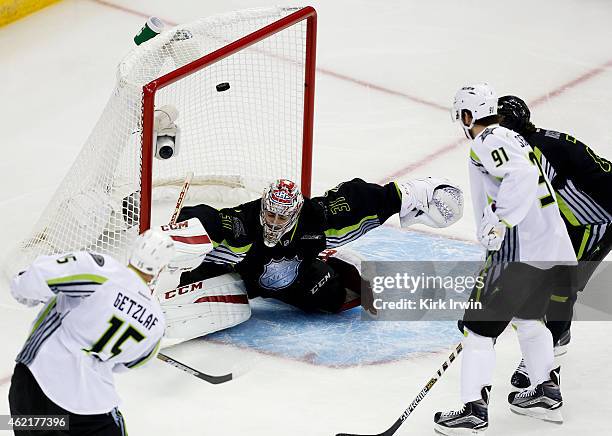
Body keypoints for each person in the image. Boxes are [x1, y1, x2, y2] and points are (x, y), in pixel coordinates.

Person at [433, 83, 577, 435]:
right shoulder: (512, 138)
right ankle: (544, 392)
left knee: (478, 331)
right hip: (550, 249)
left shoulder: (488, 139)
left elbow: (521, 176)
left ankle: (472, 411)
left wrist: (501, 221)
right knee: (529, 320)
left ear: (468, 115)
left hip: (520, 253)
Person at [170, 177, 463, 314]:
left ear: (295, 212)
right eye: (270, 213)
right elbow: (209, 219)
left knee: (335, 301)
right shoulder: (243, 224)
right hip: (247, 273)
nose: (274, 221)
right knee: (194, 280)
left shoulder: (314, 218)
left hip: (298, 270)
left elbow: (357, 199)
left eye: (282, 216)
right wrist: (178, 230)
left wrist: (413, 194)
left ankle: (337, 262)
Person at [8, 230, 174, 436]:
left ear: (134, 248)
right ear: (162, 268)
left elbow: (34, 279)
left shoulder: (101, 269)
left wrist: (23, 291)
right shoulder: (156, 320)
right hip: (88, 413)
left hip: (31, 391)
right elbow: (131, 363)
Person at [498, 95, 612, 388]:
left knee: (562, 286)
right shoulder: (534, 142)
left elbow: (526, 207)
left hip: (598, 220)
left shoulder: (532, 155)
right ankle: (548, 347)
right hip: (578, 218)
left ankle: (547, 364)